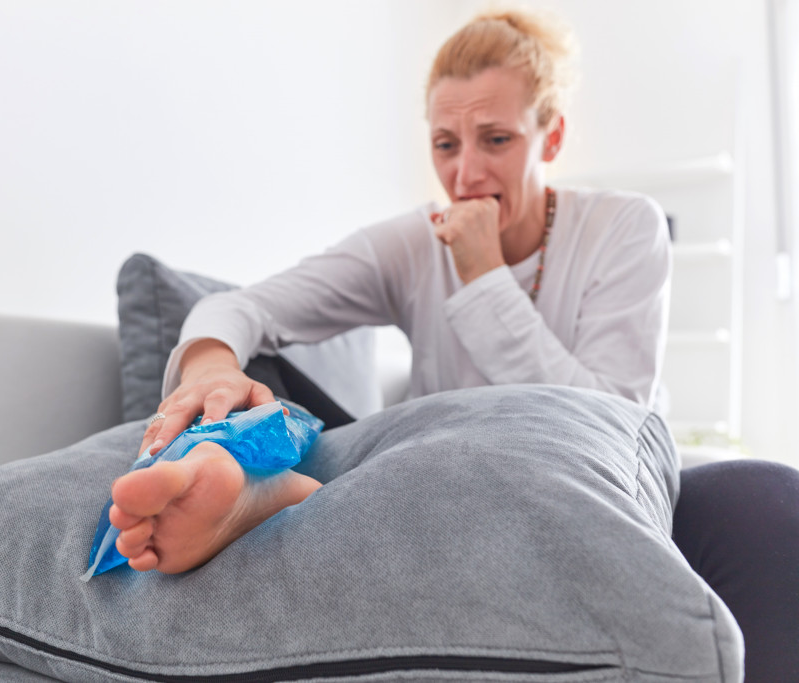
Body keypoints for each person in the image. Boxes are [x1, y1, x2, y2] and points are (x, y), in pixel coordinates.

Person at [109, 9, 799, 681]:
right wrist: (209, 365)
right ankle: (267, 496)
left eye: (495, 140)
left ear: (550, 138)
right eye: (446, 144)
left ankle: (308, 504)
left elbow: (611, 415)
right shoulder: (415, 240)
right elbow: (242, 305)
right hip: (440, 498)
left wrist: (481, 273)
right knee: (256, 370)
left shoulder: (624, 227)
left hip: (593, 497)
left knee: (767, 497)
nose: (465, 173)